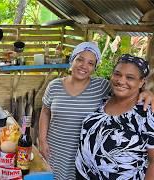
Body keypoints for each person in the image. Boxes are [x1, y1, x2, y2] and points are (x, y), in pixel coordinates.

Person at [38, 42, 154, 180]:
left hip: (77, 156)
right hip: (56, 150)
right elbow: (45, 112)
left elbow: (126, 90)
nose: (83, 66)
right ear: (72, 59)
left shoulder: (101, 87)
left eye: (90, 63)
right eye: (79, 59)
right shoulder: (55, 86)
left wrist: (148, 93)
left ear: (94, 67)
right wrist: (42, 140)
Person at [75, 54, 154, 179]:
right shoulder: (102, 100)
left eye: (130, 77)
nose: (121, 81)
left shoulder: (146, 113)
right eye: (117, 74)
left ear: (141, 82)